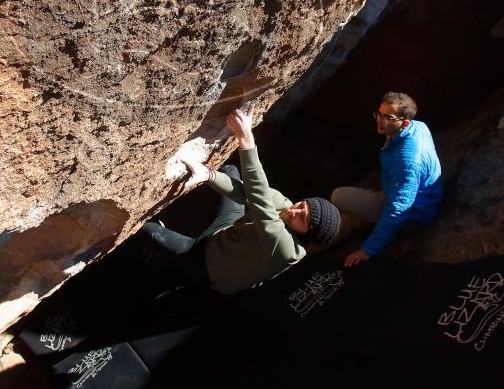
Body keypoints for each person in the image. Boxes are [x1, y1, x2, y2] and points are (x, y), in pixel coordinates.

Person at [141, 105, 342, 295]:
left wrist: (247, 141)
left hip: (205, 267)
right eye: (302, 205)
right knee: (230, 171)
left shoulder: (287, 251)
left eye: (303, 219)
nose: (295, 210)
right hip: (222, 234)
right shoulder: (288, 208)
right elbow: (250, 193)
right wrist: (208, 175)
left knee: (148, 230)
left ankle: (160, 258)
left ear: (307, 235)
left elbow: (261, 199)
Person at [338, 92, 443, 267]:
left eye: (388, 117)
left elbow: (399, 208)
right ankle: (312, 241)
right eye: (379, 113)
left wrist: (367, 250)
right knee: (351, 216)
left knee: (340, 196)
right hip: (417, 200)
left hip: (413, 216)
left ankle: (307, 246)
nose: (380, 120)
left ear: (405, 122)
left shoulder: (408, 161)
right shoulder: (418, 127)